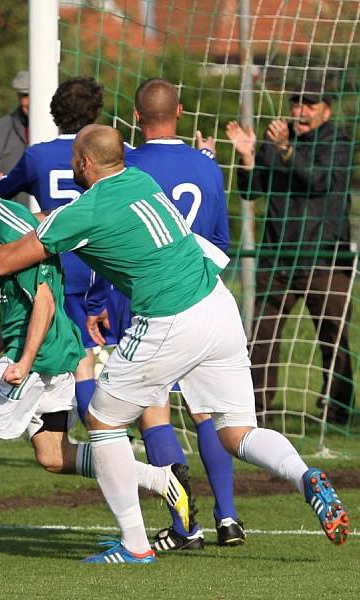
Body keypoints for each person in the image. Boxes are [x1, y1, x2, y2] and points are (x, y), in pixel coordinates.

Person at [0, 124, 351, 563]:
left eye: (75, 157)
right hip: (218, 306)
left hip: (170, 318)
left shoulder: (87, 210)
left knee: (102, 421)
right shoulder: (139, 181)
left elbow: (6, 259)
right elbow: (59, 225)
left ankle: (134, 545)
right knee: (236, 431)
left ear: (84, 163)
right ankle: (305, 477)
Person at [0, 146, 193, 565]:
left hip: (39, 359)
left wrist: (21, 360)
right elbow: (26, 300)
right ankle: (160, 478)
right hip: (50, 351)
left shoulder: (6, 227)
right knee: (53, 455)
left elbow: (44, 301)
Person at [85, 78, 243, 550]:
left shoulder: (126, 166)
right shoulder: (207, 166)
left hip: (143, 301)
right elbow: (220, 244)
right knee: (207, 411)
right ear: (182, 111)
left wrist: (96, 303)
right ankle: (229, 516)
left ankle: (184, 525)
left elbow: (104, 236)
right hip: (200, 296)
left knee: (152, 410)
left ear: (134, 118)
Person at [226, 79, 355, 425]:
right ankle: (258, 410)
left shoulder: (338, 143)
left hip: (326, 259)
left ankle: (339, 410)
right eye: (296, 103)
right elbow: (251, 192)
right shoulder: (274, 141)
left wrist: (284, 150)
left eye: (309, 104)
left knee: (334, 336)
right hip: (278, 257)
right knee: (263, 336)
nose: (300, 110)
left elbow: (317, 180)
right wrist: (248, 157)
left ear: (326, 110)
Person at [0, 76, 106, 434]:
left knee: (78, 360)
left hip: (57, 269)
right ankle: (124, 437)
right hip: (105, 270)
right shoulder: (114, 152)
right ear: (96, 113)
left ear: (54, 113)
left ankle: (98, 435)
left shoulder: (38, 155)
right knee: (105, 360)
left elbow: (0, 193)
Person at [0, 70, 30, 206]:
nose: (29, 101)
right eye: (25, 95)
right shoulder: (2, 128)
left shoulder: (60, 129)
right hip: (11, 219)